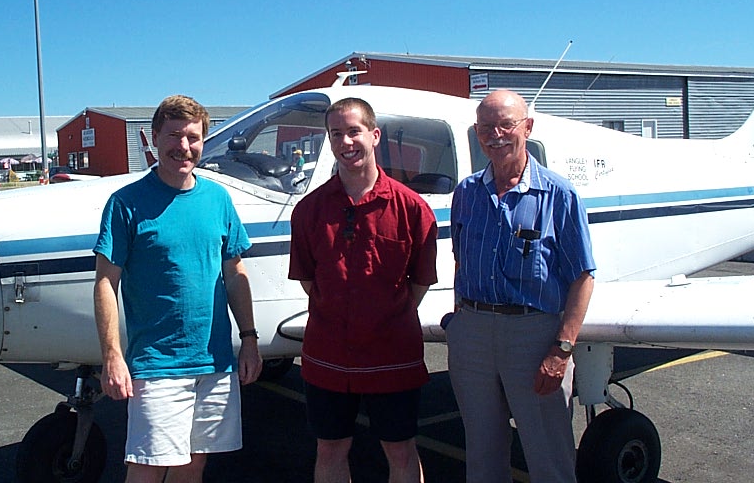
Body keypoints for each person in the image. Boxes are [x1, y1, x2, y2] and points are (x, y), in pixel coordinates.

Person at [93, 94, 263, 483]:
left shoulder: (218, 199)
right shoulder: (125, 204)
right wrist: (112, 356)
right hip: (157, 364)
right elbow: (105, 283)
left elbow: (235, 272)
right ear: (154, 138)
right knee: (147, 467)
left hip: (215, 361)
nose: (183, 147)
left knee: (194, 464)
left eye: (193, 137)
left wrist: (249, 339)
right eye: (173, 136)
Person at [446, 89, 595, 482]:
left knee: (549, 454)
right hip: (473, 331)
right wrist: (460, 322)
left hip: (533, 334)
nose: (495, 135)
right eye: (485, 128)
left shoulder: (559, 194)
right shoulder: (466, 193)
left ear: (527, 127)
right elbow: (461, 260)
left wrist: (562, 349)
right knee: (482, 452)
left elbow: (583, 276)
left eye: (506, 125)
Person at [289, 97, 438, 483]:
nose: (346, 142)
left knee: (401, 450)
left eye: (354, 131)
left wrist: (386, 314)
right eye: (336, 133)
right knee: (330, 448)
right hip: (328, 355)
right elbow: (308, 280)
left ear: (374, 135)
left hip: (393, 355)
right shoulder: (308, 210)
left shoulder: (412, 208)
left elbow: (420, 281)